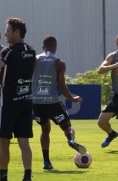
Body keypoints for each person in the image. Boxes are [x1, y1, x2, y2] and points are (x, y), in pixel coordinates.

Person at [32, 35, 87, 170]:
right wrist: (73, 99)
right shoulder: (59, 63)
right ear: (55, 47)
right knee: (67, 126)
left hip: (36, 102)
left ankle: (46, 162)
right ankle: (70, 139)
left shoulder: (34, 60)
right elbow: (62, 86)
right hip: (52, 102)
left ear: (42, 47)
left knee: (45, 129)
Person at [0, 17, 35, 181]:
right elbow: (34, 67)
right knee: (24, 141)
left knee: (4, 142)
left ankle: (3, 179)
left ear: (16, 33)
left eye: (8, 31)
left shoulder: (7, 51)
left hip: (8, 103)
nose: (5, 34)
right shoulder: (31, 51)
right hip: (26, 102)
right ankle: (27, 177)